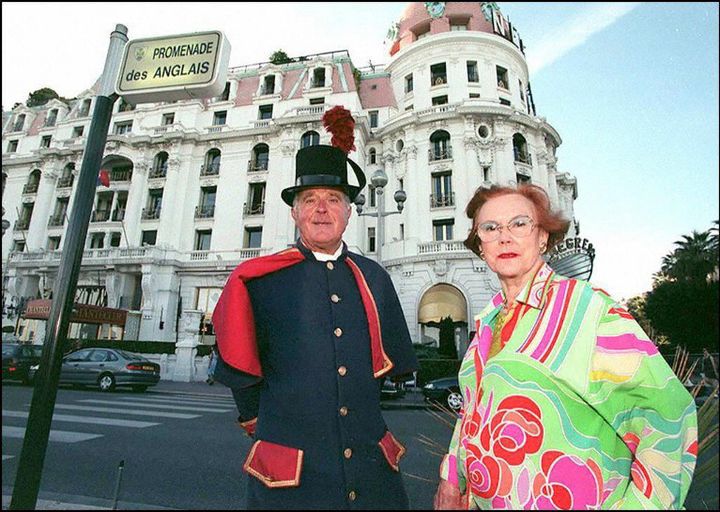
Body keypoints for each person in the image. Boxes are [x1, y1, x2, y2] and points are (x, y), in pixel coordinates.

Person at [433, 184, 697, 510]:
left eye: (519, 223)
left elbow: (668, 416)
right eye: (490, 228)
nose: (504, 237)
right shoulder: (488, 322)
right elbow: (470, 415)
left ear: (542, 236)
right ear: (480, 245)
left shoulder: (585, 309)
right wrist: (451, 480)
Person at [212, 107, 418, 510]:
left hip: (372, 476)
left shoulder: (374, 277)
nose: (321, 209)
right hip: (290, 480)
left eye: (333, 199)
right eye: (310, 199)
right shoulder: (259, 279)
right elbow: (242, 378)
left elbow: (385, 375)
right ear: (295, 212)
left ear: (348, 211)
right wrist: (266, 427)